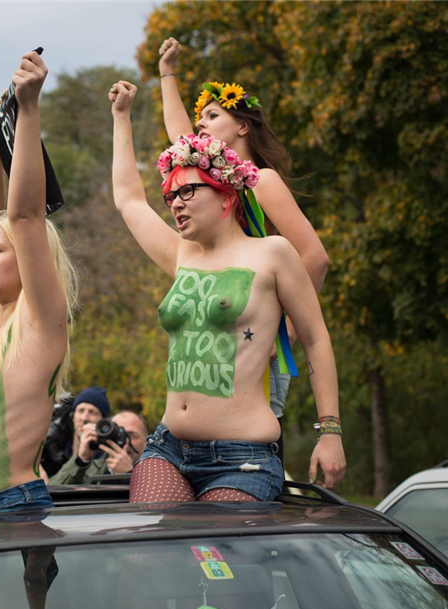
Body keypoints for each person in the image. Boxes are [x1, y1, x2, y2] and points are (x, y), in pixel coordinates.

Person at [109, 80, 345, 502]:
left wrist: (330, 433)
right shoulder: (181, 254)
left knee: (218, 545)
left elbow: (316, 339)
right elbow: (129, 200)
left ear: (225, 196)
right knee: (154, 542)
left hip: (242, 457)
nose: (175, 203)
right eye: (170, 195)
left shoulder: (273, 254)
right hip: (167, 449)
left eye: (187, 191)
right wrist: (121, 116)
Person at [157, 38, 330, 462]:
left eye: (213, 115)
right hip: (222, 325)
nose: (200, 124)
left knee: (253, 449)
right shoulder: (212, 183)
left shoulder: (261, 181)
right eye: (199, 118)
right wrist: (166, 73)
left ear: (242, 127)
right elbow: (181, 139)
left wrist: (282, 329)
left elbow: (315, 257)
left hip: (254, 336)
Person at [0, 50, 78, 519]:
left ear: (26, 259)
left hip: (14, 506)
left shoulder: (40, 319)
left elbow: (25, 216)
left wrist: (28, 109)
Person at [49, 411, 148, 484]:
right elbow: (53, 492)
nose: (124, 441)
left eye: (131, 435)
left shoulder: (154, 471)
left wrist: (128, 474)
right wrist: (81, 460)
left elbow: (152, 502)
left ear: (146, 440)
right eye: (117, 434)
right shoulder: (92, 469)